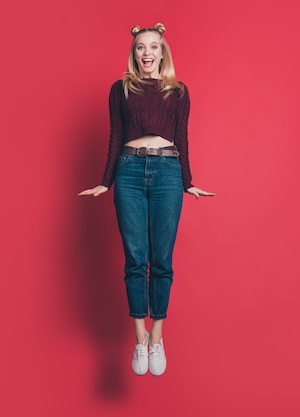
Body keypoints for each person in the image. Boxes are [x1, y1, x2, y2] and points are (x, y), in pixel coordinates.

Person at [78, 22, 214, 376]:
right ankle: (139, 338)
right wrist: (106, 182)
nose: (147, 52)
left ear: (162, 53)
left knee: (162, 260)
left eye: (153, 46)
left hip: (168, 172)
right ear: (135, 54)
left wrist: (188, 182)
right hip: (128, 172)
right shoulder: (120, 89)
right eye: (141, 47)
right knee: (136, 259)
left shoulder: (178, 92)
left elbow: (182, 138)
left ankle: (157, 337)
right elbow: (115, 135)